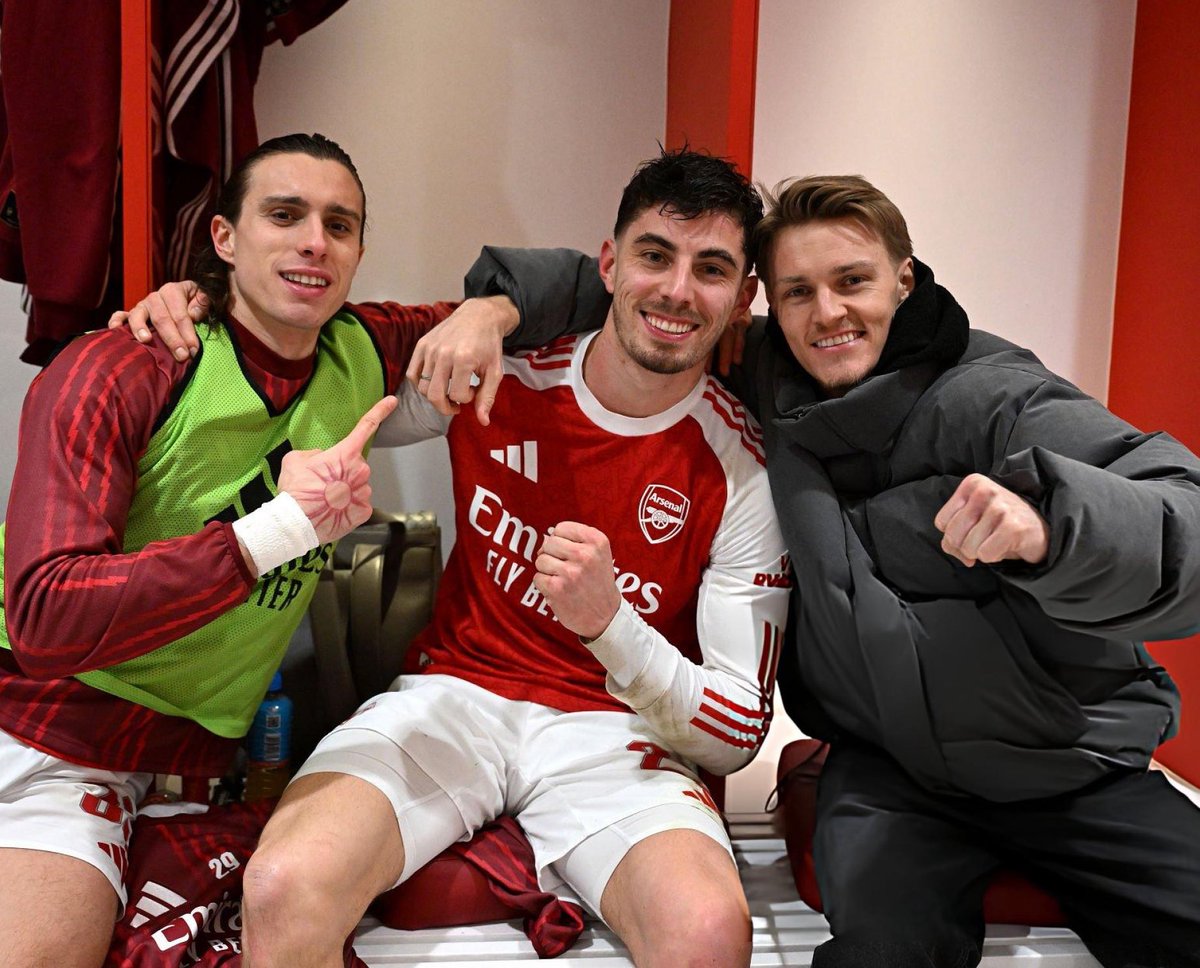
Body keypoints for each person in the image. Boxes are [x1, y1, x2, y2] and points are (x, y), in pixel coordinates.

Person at [443, 174, 1200, 968]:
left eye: (853, 282)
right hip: (892, 776)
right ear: (766, 303)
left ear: (904, 280)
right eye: (798, 292)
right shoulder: (771, 373)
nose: (828, 313)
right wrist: (491, 307)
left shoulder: (997, 397)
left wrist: (1054, 529)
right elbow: (645, 293)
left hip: (1074, 766)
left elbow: (1181, 510)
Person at [153, 148, 784, 968]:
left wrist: (611, 626)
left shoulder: (744, 467)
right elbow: (300, 349)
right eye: (655, 256)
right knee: (281, 886)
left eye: (712, 269)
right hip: (455, 695)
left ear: (744, 298)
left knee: (708, 934)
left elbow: (736, 733)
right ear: (608, 264)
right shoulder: (500, 371)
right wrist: (196, 303)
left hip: (617, 733)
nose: (676, 290)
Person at [0, 131, 506, 968]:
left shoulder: (361, 348)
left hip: (194, 768)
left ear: (359, 252)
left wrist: (490, 310)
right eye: (284, 215)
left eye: (339, 225)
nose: (315, 241)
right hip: (47, 733)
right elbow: (45, 616)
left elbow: (583, 292)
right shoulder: (129, 364)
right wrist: (277, 533)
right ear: (225, 238)